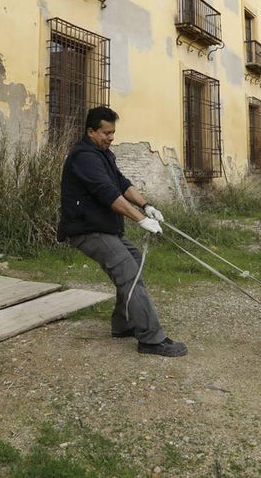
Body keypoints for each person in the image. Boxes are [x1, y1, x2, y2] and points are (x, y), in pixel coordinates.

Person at [58, 106, 187, 357]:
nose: (111, 137)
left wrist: (146, 206)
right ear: (91, 131)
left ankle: (123, 324)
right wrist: (141, 220)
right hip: (87, 230)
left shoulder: (104, 154)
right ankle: (151, 339)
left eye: (113, 132)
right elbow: (108, 193)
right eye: (106, 133)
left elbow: (122, 184)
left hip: (105, 229)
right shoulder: (84, 157)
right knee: (128, 272)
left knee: (135, 259)